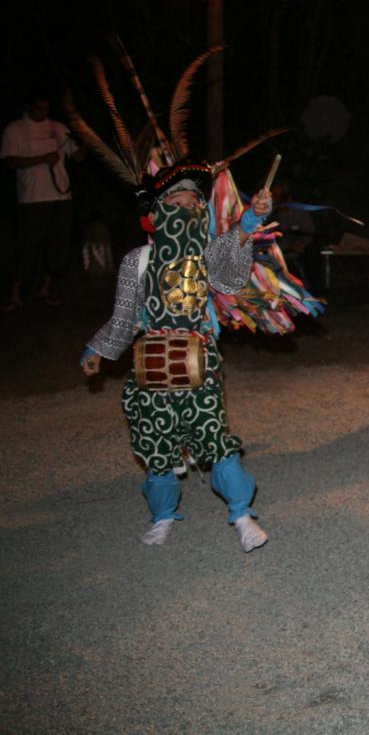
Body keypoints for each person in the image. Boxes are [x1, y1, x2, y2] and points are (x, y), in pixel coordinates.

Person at [82, 162, 272, 552]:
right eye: (176, 201)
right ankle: (163, 515)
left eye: (193, 202)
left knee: (215, 440)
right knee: (155, 446)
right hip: (150, 369)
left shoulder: (205, 253)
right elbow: (123, 317)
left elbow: (232, 276)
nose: (186, 208)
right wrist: (98, 348)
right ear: (154, 213)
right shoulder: (138, 261)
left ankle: (241, 514)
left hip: (199, 362)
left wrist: (251, 219)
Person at [1, 92, 82, 309]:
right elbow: (10, 162)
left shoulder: (57, 128)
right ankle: (15, 293)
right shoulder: (15, 129)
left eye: (46, 109)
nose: (42, 113)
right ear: (29, 107)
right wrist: (42, 159)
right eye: (38, 108)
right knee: (28, 244)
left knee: (57, 245)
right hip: (32, 198)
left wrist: (87, 140)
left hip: (61, 196)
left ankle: (46, 289)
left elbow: (77, 155)